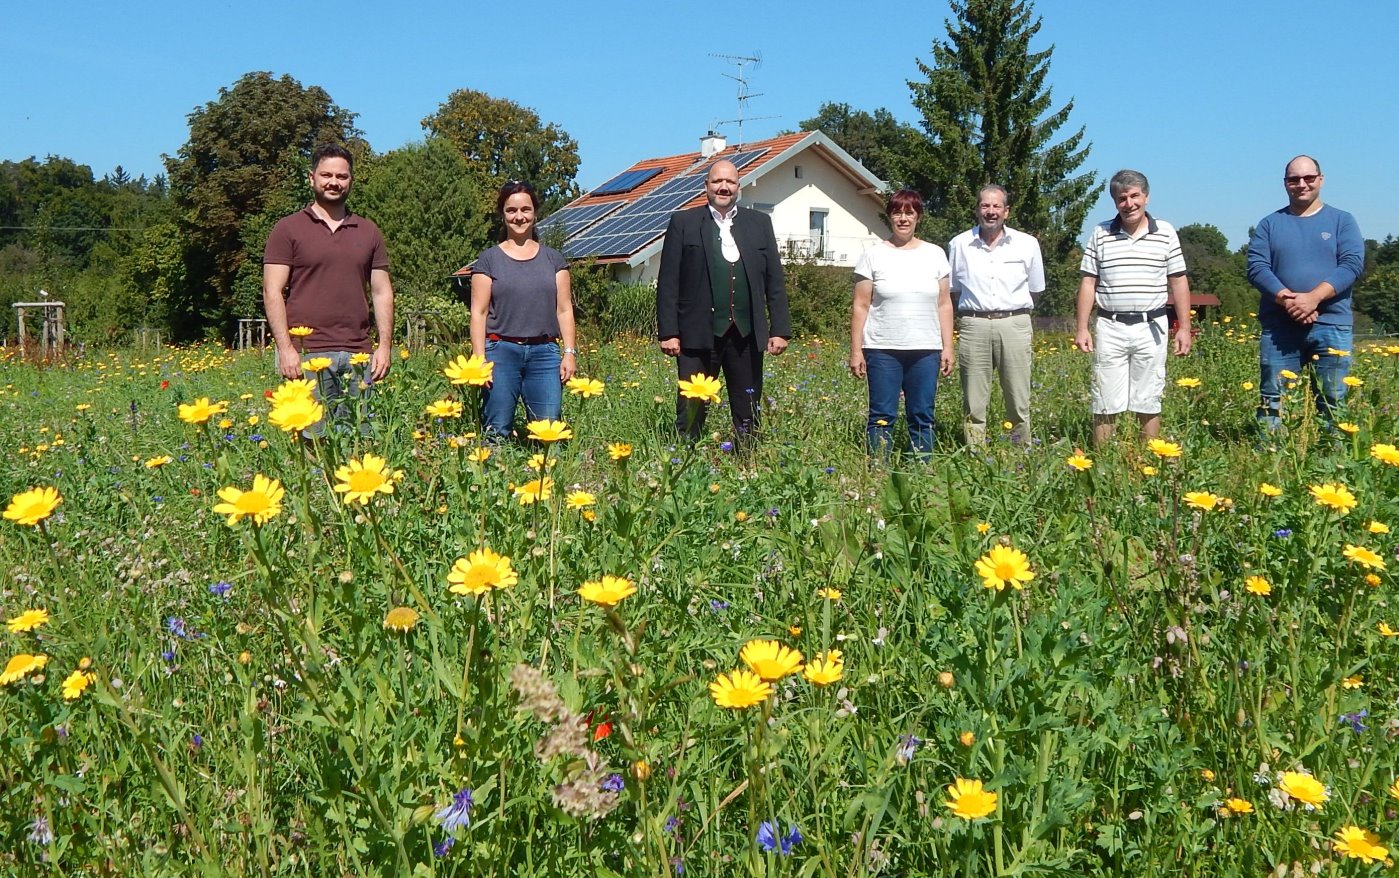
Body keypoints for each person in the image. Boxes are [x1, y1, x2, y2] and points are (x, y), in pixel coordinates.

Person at [656, 159, 790, 444]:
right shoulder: (684, 223)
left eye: (730, 182)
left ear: (738, 187)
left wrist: (779, 328)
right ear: (706, 186)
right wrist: (669, 332)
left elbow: (774, 280)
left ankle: (746, 464)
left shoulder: (759, 223)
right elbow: (669, 281)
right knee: (691, 408)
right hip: (696, 336)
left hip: (745, 335)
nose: (724, 187)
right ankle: (687, 460)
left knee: (747, 408)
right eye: (717, 181)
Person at [263, 143, 394, 431]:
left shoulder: (368, 231)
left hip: (359, 355)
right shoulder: (288, 229)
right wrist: (285, 349)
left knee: (360, 439)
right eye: (326, 175)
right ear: (311, 178)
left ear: (351, 181)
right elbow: (272, 291)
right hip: (307, 354)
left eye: (342, 176)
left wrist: (384, 347)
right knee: (313, 441)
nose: (334, 182)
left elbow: (382, 291)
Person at [1074, 169, 1192, 446]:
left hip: (1152, 327)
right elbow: (1088, 282)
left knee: (1148, 397)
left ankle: (1147, 460)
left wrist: (1184, 327)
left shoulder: (1165, 232)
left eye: (1134, 196)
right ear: (1115, 202)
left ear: (1146, 197)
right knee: (1104, 399)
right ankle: (1102, 465)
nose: (1129, 203)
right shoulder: (1100, 233)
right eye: (1122, 198)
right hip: (1110, 326)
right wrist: (1081, 328)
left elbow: (1178, 281)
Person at [1246, 155, 1364, 430]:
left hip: (1332, 324)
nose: (1302, 184)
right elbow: (1257, 268)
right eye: (1294, 179)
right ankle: (1271, 462)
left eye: (1308, 178)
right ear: (1285, 184)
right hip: (1279, 328)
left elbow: (1351, 265)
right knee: (1273, 398)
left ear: (1320, 180)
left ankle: (1333, 460)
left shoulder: (1342, 221)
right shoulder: (1269, 224)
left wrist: (1313, 298)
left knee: (1333, 399)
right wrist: (1288, 300)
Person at [848, 188, 954, 457]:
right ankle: (878, 473)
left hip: (925, 349)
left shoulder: (935, 254)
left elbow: (944, 303)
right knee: (882, 415)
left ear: (918, 217)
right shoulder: (872, 255)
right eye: (897, 213)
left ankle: (921, 470)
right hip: (882, 348)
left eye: (910, 213)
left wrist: (948, 346)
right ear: (890, 217)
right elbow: (861, 305)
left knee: (922, 415)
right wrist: (856, 350)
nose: (903, 219)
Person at [470, 181, 577, 440]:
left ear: (535, 213)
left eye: (526, 210)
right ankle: (491, 478)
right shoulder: (488, 260)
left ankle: (548, 478)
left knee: (549, 432)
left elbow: (564, 310)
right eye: (512, 210)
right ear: (503, 214)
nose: (519, 217)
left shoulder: (554, 260)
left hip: (545, 355)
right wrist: (479, 358)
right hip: (500, 352)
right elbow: (478, 313)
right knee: (496, 430)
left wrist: (570, 353)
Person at [948, 185, 1045, 446]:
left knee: (1018, 397)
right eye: (985, 206)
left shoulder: (1027, 244)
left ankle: (1020, 453)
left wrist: (1009, 311)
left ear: (1007, 211)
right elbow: (954, 290)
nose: (991, 212)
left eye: (996, 206)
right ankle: (976, 455)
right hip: (974, 324)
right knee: (973, 399)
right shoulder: (959, 244)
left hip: (1014, 323)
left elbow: (1035, 289)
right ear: (977, 209)